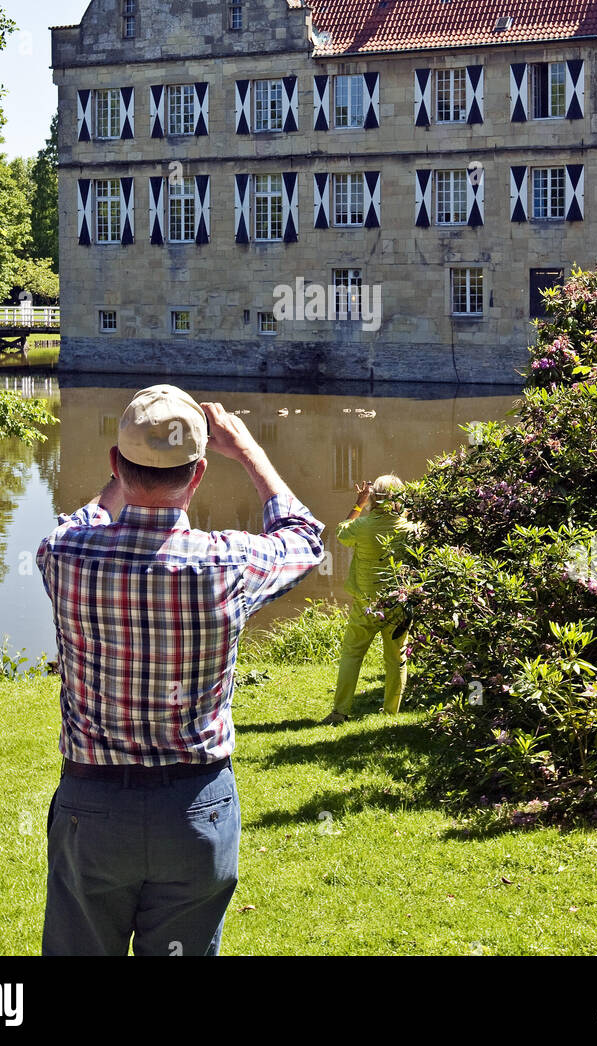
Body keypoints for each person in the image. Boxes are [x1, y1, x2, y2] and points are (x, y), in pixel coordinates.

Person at [36, 385, 324, 956]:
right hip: (197, 810)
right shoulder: (229, 563)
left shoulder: (63, 555)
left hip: (92, 812)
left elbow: (89, 516)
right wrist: (246, 450)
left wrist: (128, 470)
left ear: (116, 465)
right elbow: (305, 537)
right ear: (198, 477)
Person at [322, 474, 414, 725]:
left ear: (373, 498)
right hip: (398, 604)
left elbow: (341, 533)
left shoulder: (361, 527)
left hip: (365, 604)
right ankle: (390, 713)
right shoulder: (409, 530)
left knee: (352, 655)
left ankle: (340, 712)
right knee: (396, 659)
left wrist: (358, 504)